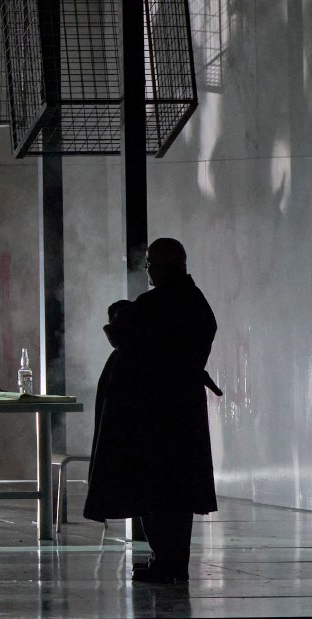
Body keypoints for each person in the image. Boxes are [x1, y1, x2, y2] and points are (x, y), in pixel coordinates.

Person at [84, 237, 219, 585]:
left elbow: (133, 340)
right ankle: (172, 562)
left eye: (151, 263)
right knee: (175, 494)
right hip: (179, 412)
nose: (148, 270)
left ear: (168, 263)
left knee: (155, 491)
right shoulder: (192, 302)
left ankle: (167, 562)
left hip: (153, 416)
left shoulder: (159, 304)